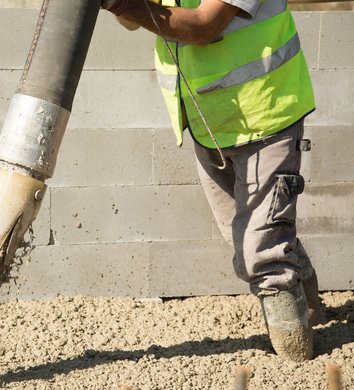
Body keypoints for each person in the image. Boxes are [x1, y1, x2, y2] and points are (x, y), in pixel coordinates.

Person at [100, 0, 326, 361]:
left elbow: (205, 26)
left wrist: (123, 4)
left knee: (262, 254)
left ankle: (296, 359)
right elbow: (133, 21)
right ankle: (310, 307)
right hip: (211, 121)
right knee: (247, 237)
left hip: (266, 114)